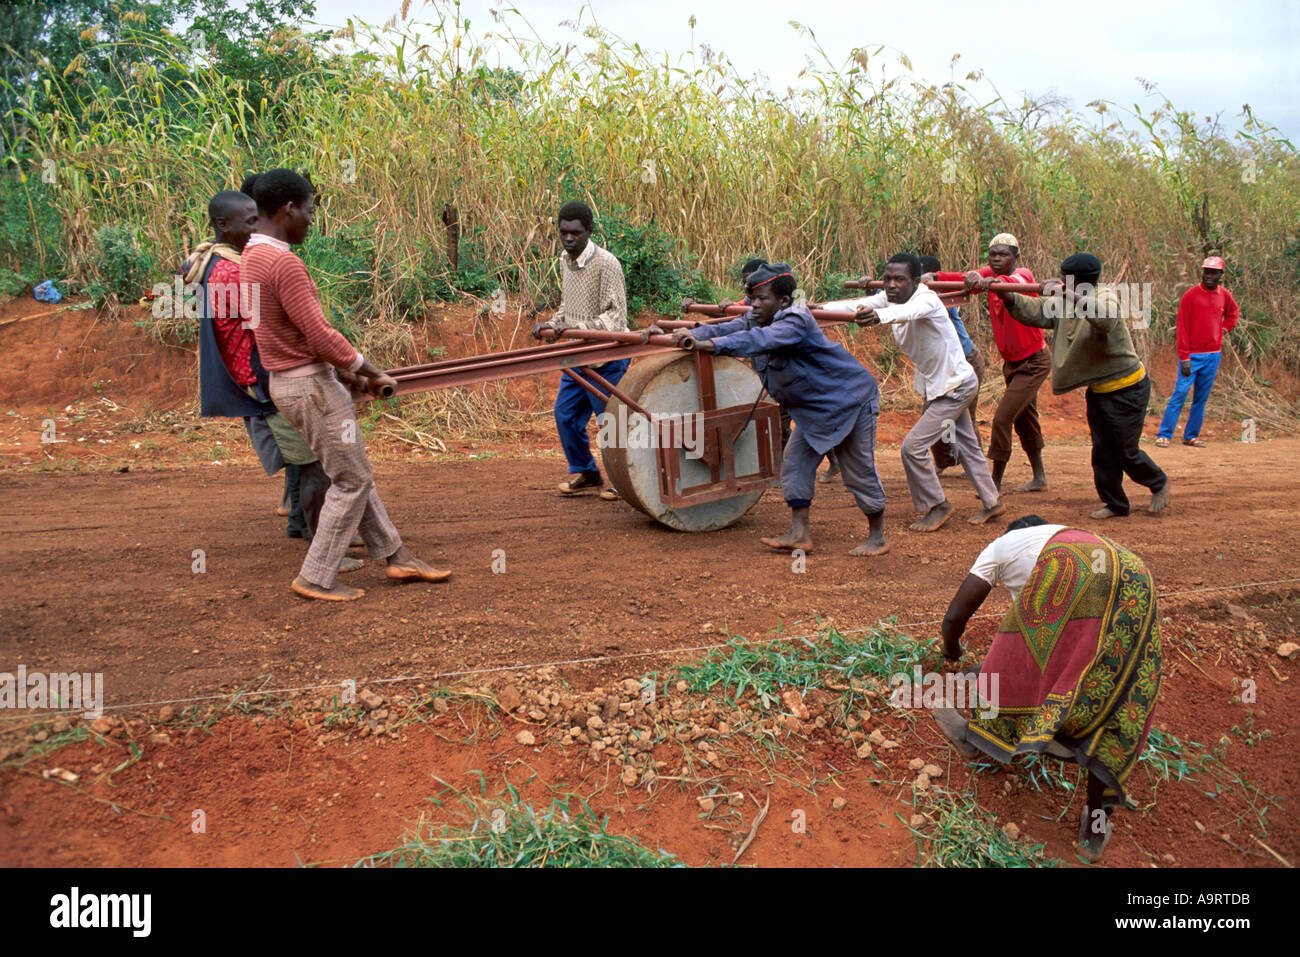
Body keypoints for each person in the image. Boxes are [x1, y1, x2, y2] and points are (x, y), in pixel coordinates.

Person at [242, 168, 450, 601]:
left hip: (288, 382)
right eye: (310, 210)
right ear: (288, 208)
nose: (312, 221)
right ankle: (316, 576)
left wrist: (347, 373)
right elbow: (318, 335)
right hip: (311, 387)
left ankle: (396, 556)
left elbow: (290, 333)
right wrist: (369, 370)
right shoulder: (284, 263)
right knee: (352, 480)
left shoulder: (251, 256)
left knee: (353, 471)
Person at [935, 515, 1162, 863]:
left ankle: (974, 737)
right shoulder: (1062, 534)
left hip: (1074, 567)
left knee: (1011, 656)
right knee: (1117, 689)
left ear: (1014, 532)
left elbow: (954, 619)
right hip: (1134, 573)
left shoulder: (1003, 547)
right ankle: (1095, 830)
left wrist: (951, 650)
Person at [655, 262, 888, 556]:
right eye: (751, 298)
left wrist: (708, 344)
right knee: (794, 465)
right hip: (811, 408)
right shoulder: (759, 318)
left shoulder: (795, 321)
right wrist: (686, 330)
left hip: (848, 400)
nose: (753, 305)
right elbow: (732, 327)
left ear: (784, 301)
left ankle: (877, 536)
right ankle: (799, 533)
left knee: (858, 470)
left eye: (762, 298)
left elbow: (756, 340)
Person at [185, 189, 343, 554]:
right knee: (313, 462)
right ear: (223, 225)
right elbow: (275, 323)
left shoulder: (215, 261)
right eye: (251, 221)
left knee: (301, 456)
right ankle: (321, 546)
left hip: (257, 375)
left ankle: (297, 523)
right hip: (263, 377)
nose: (258, 229)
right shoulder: (230, 272)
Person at [824, 253, 1004, 532]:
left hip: (956, 387)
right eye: (887, 279)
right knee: (966, 444)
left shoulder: (926, 299)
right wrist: (815, 308)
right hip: (945, 386)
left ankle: (937, 505)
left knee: (913, 448)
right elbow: (853, 304)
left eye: (900, 279)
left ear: (916, 281)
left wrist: (879, 317)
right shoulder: (888, 299)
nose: (892, 285)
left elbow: (906, 313)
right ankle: (992, 502)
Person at [996, 253, 1170, 519]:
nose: (1060, 279)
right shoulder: (1064, 301)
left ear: (1076, 280)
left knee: (1126, 451)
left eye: (1065, 277)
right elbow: (1036, 310)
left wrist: (1066, 293)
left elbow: (1105, 319)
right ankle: (1115, 504)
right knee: (1102, 452)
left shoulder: (1105, 297)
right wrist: (1007, 294)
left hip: (1128, 389)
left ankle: (1158, 483)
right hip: (1099, 392)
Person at [926, 234, 1049, 492]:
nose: (996, 259)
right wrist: (935, 278)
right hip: (1012, 363)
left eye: (1003, 254)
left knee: (1002, 419)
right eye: (992, 254)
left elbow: (1011, 282)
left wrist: (987, 281)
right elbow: (963, 276)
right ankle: (1039, 477)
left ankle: (994, 482)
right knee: (1025, 419)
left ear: (1016, 257)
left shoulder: (1021, 275)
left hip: (1034, 361)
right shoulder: (988, 273)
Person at [532, 201, 629, 501]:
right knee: (565, 415)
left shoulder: (607, 263)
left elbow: (616, 316)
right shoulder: (565, 261)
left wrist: (575, 327)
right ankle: (587, 472)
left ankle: (623, 482)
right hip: (578, 354)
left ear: (588, 231)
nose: (569, 239)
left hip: (606, 356)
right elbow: (567, 307)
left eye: (575, 233)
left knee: (610, 422)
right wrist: (551, 324)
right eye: (564, 233)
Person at [1156, 255, 1239, 448]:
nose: (1209, 276)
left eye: (1213, 273)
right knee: (1180, 393)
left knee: (1201, 398)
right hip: (1192, 356)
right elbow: (1182, 326)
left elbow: (1233, 313)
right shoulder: (1190, 295)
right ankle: (1164, 434)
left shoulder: (1224, 295)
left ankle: (1191, 436)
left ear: (1220, 274)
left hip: (1213, 355)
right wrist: (1184, 357)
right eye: (1206, 272)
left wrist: (1225, 329)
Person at [918, 255, 984, 474]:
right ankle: (946, 460)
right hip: (941, 365)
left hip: (966, 360)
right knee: (934, 412)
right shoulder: (918, 294)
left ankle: (973, 463)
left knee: (965, 415)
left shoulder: (942, 294)